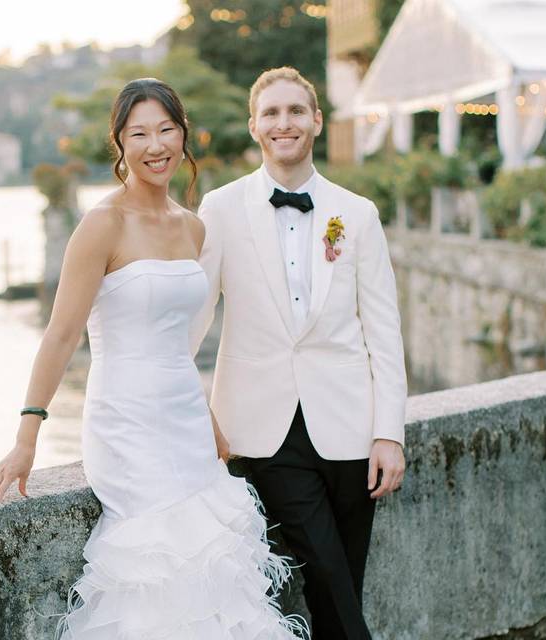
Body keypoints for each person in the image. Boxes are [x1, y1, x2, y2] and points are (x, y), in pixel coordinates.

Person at [0, 78, 309, 639]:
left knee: (210, 565)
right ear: (120, 144)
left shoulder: (192, 227)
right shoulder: (101, 225)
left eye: (166, 130)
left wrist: (205, 414)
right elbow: (60, 335)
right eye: (139, 134)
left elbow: (176, 337)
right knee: (157, 563)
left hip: (184, 418)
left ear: (183, 136)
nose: (155, 145)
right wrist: (27, 435)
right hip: (124, 421)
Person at [188, 67, 408, 640]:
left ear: (315, 120)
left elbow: (383, 331)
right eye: (271, 114)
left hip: (351, 429)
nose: (283, 123)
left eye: (294, 111)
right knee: (327, 575)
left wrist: (390, 433)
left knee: (343, 582)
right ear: (254, 127)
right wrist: (182, 403)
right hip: (264, 430)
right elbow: (193, 318)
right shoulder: (221, 207)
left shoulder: (356, 213)